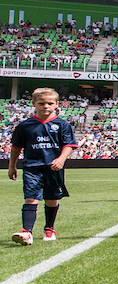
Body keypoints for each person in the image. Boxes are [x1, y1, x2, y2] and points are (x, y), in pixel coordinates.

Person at [10, 88, 77, 245]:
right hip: (32, 167)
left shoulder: (62, 125)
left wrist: (61, 159)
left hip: (53, 168)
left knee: (51, 199)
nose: (45, 106)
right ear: (34, 104)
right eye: (41, 103)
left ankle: (49, 228)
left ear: (56, 104)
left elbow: (69, 145)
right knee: (30, 198)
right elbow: (16, 147)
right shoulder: (25, 126)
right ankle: (26, 232)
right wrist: (12, 165)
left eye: (49, 103)